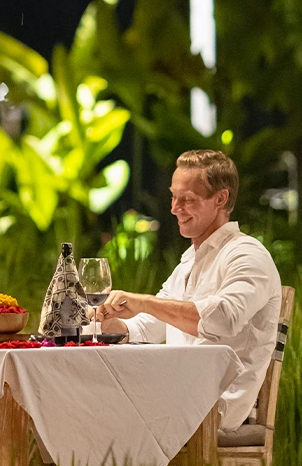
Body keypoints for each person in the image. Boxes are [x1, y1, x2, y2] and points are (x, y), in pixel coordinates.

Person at [97, 149, 281, 432]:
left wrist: (144, 302)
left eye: (187, 200)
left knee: (96, 409)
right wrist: (109, 323)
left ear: (220, 199)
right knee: (78, 397)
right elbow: (150, 326)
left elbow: (225, 319)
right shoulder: (191, 260)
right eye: (174, 196)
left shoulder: (247, 255)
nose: (174, 208)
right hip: (177, 392)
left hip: (216, 405)